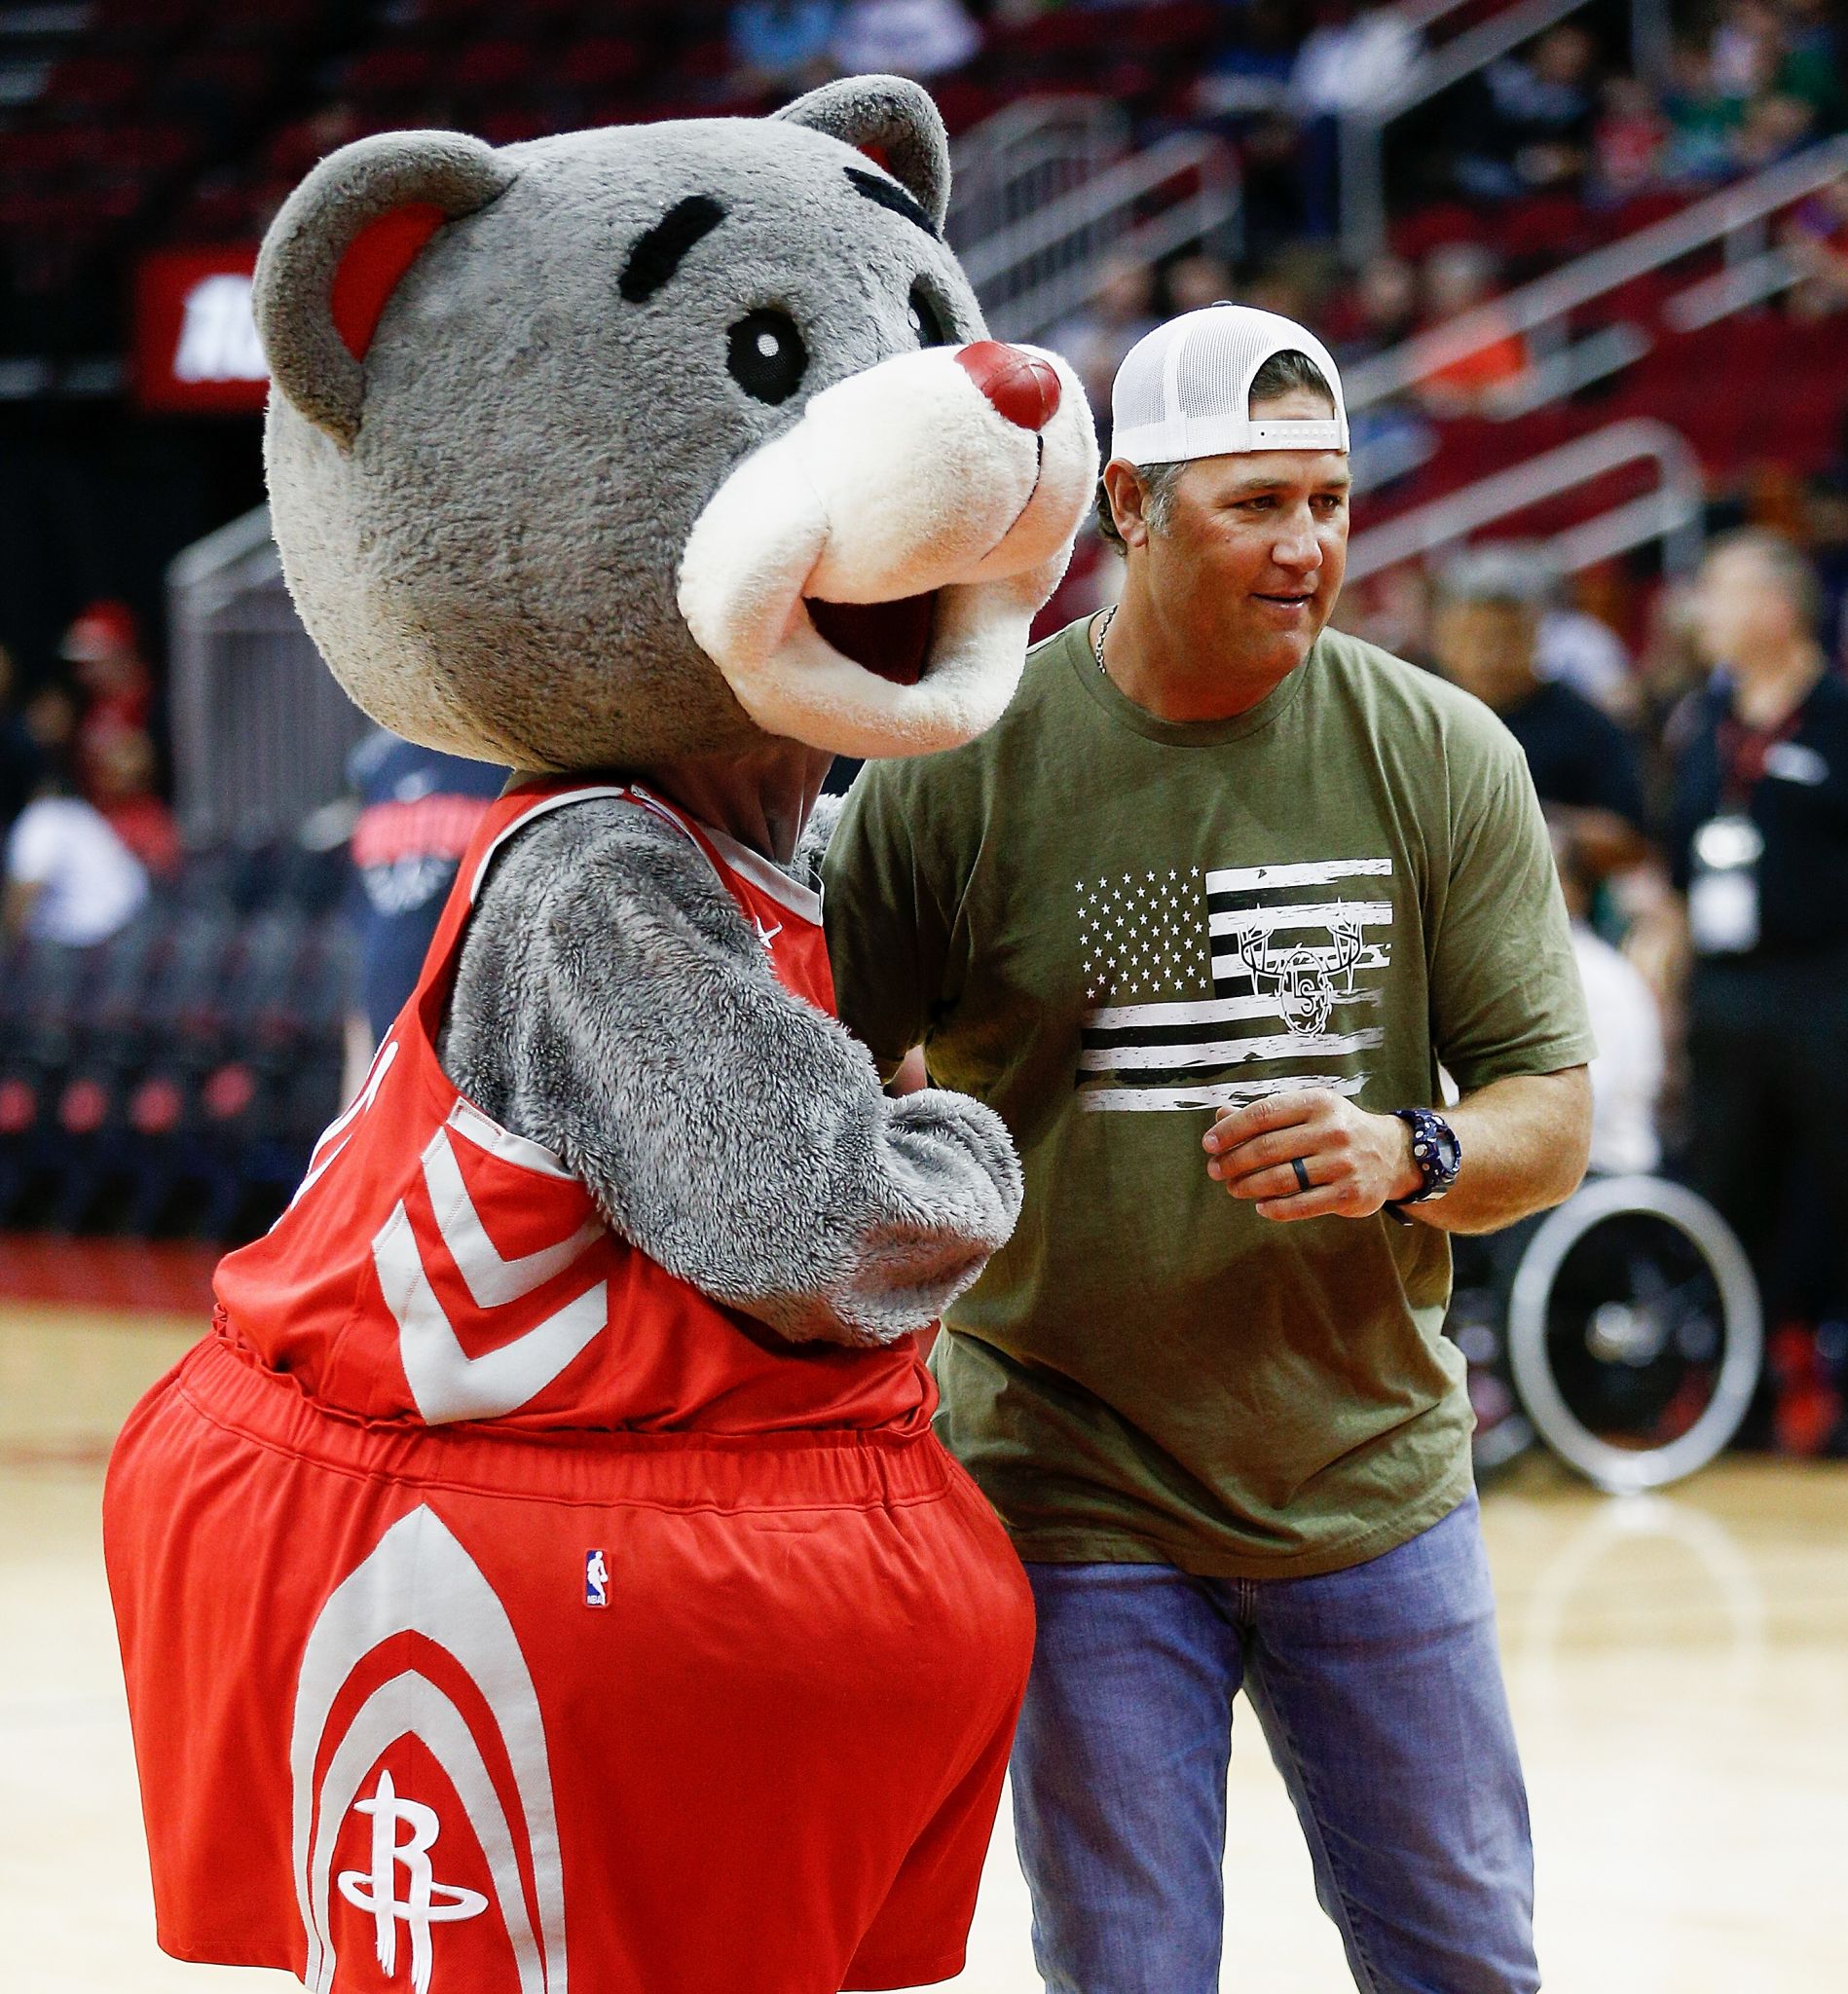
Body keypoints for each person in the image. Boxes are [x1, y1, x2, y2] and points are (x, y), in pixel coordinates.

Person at [823, 303, 1594, 1994]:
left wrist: (1405, 1150)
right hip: (1071, 1485)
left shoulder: (1435, 752)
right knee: (1130, 1970)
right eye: (1256, 502)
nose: (1305, 541)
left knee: (1465, 1959)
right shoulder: (955, 769)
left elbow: (1547, 1106)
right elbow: (830, 1070)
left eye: (1327, 499)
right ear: (1128, 510)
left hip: (1371, 1475)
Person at [1669, 529, 1848, 1348]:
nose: (1698, 609)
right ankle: (1739, 1375)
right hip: (1724, 987)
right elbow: (1675, 858)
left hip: (1824, 985)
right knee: (1728, 1182)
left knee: (1832, 1178)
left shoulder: (1837, 719)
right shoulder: (1700, 721)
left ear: (1777, 609)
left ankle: (1822, 1361)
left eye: (1720, 590)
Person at [1432, 540, 1651, 876]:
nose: (1491, 655)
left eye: (1508, 637)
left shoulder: (1583, 724)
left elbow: (1631, 841)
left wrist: (1536, 821)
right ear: (1444, 639)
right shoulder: (1416, 717)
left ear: (1536, 635)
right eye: (1475, 637)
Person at [3, 751, 149, 947]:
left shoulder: (42, 816)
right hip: (136, 926)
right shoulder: (77, 811)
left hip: (99, 941)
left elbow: (22, 897)